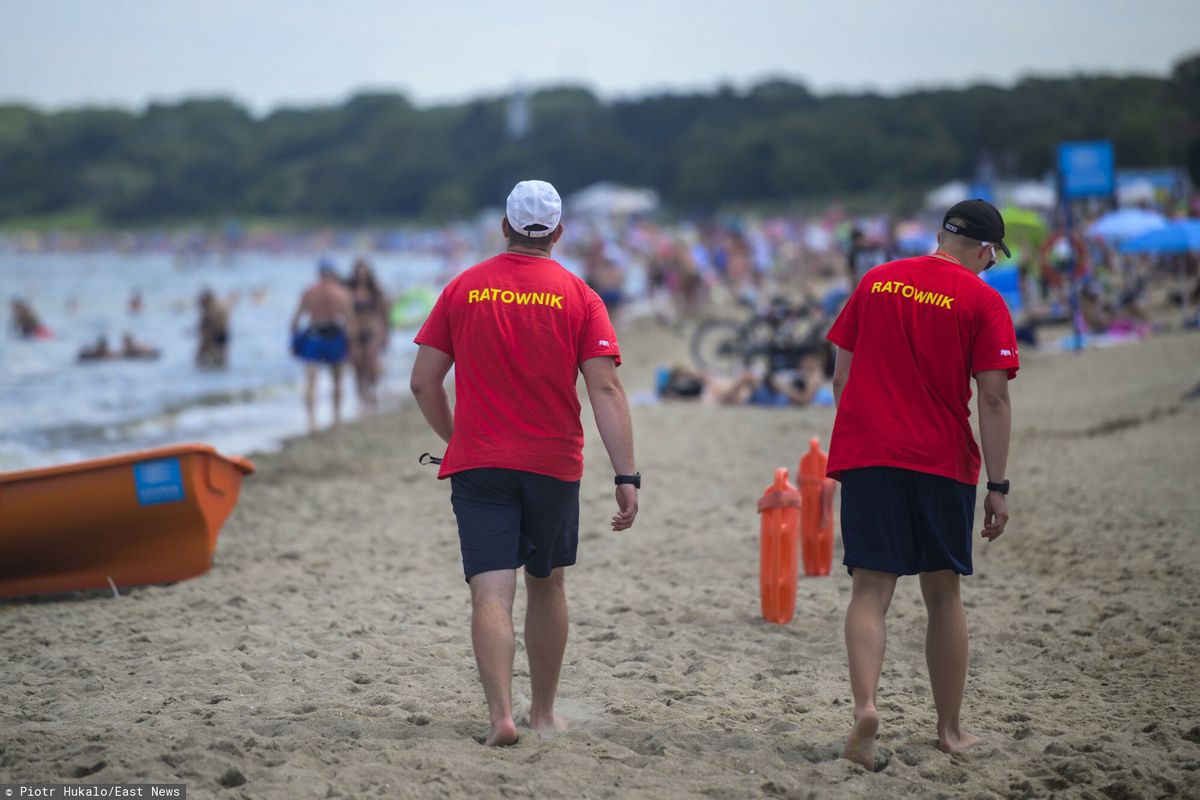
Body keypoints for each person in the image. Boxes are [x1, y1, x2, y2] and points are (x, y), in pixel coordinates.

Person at [410, 180, 638, 747]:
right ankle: (542, 714)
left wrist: (457, 436)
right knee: (547, 586)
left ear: (505, 228)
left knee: (491, 593)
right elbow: (605, 389)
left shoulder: (463, 288)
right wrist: (626, 475)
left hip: (480, 462)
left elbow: (422, 381)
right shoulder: (580, 295)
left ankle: (500, 719)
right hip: (552, 463)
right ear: (559, 233)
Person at [826, 199, 1018, 770]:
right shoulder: (984, 300)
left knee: (870, 590)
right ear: (986, 251)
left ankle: (865, 706)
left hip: (870, 455)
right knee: (943, 593)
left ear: (941, 235)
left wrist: (862, 433)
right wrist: (999, 484)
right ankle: (951, 730)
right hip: (940, 458)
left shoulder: (877, 280)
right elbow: (993, 396)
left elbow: (842, 373)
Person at [291, 258, 358, 431]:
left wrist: (295, 342)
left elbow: (295, 321)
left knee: (311, 381)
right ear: (333, 273)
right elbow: (351, 322)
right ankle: (337, 418)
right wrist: (353, 345)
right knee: (337, 381)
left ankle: (311, 422)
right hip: (335, 337)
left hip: (315, 337)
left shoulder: (309, 292)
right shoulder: (342, 293)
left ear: (319, 273)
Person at [347, 258, 390, 410]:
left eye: (364, 271)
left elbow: (384, 313)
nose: (362, 275)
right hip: (355, 333)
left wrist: (386, 334)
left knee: (372, 364)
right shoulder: (349, 291)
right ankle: (361, 399)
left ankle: (374, 392)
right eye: (359, 271)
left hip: (373, 331)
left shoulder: (375, 292)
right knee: (358, 367)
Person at [196, 288, 230, 368]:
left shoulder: (214, 312)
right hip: (219, 335)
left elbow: (208, 329)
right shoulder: (218, 309)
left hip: (217, 335)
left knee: (218, 359)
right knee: (218, 359)